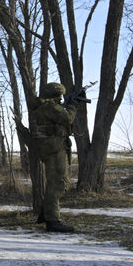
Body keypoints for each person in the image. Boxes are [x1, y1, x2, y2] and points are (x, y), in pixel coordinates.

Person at [30, 82, 77, 233]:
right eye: (59, 96)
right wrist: (72, 106)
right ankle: (52, 221)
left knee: (55, 183)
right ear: (54, 96)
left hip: (50, 149)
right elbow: (67, 118)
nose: (60, 98)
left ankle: (46, 213)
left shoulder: (43, 108)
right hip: (54, 150)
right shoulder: (49, 107)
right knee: (58, 184)